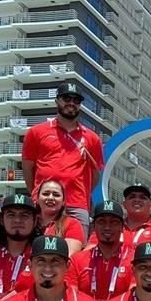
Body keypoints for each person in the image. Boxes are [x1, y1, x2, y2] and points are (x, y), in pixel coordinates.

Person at [21, 82, 103, 236]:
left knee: (75, 253)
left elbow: (96, 174)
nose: (71, 103)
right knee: (37, 250)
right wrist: (38, 193)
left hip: (76, 204)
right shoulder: (36, 132)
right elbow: (27, 168)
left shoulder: (92, 139)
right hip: (44, 203)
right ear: (57, 101)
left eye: (76, 100)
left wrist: (80, 191)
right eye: (66, 98)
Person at [67, 200, 133, 301]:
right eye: (102, 221)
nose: (107, 227)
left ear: (122, 226)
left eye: (114, 222)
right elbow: (72, 298)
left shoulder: (134, 261)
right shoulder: (77, 261)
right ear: (93, 226)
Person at [88, 184, 151, 252]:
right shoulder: (108, 228)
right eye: (132, 197)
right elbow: (89, 253)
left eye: (143, 197)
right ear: (124, 204)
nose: (137, 200)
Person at [37, 180, 85, 255]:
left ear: (63, 201)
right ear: (37, 199)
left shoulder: (72, 224)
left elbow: (68, 256)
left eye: (56, 195)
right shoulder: (29, 223)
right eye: (46, 194)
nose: (50, 198)